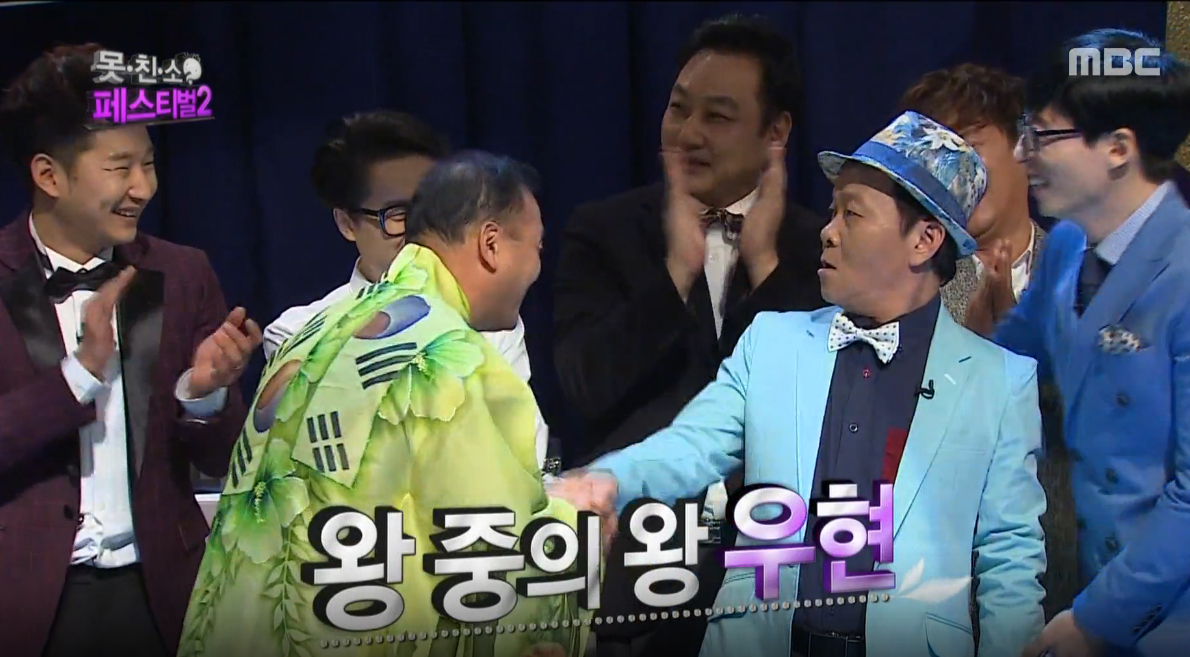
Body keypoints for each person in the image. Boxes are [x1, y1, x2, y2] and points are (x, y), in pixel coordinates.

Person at [554, 111, 1048, 657]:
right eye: (832, 211)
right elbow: (691, 446)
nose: (827, 231)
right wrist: (608, 479)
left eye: (852, 214)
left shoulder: (999, 381)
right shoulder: (773, 342)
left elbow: (1010, 557)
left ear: (924, 241)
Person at [178, 152, 593, 657]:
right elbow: (489, 553)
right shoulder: (451, 358)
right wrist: (576, 518)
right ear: (491, 244)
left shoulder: (313, 331)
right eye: (537, 246)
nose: (537, 268)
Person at [553, 14, 826, 657]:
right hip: (635, 572)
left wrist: (766, 269)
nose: (688, 133)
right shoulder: (604, 230)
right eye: (678, 109)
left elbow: (813, 404)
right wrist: (675, 273)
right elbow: (583, 388)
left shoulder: (818, 246)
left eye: (718, 116)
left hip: (773, 572)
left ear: (776, 131)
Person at [965, 30, 1190, 657]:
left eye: (1042, 135)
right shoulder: (1066, 247)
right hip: (1094, 584)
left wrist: (1098, 619)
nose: (1023, 154)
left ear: (1118, 148)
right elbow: (1006, 362)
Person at [0, 44, 260, 657]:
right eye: (120, 168)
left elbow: (227, 458)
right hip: (27, 600)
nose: (144, 187)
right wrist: (79, 376)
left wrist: (203, 394)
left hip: (161, 593)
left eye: (148, 163)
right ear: (49, 176)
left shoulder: (183, 272)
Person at [263, 111, 552, 472]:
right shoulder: (298, 333)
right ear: (347, 223)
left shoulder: (492, 321)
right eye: (399, 214)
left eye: (431, 210)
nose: (421, 230)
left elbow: (525, 454)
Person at [897, 63, 1079, 623]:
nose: (954, 170)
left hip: (1074, 577)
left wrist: (1030, 360)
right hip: (929, 586)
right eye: (934, 154)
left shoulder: (1090, 272)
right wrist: (968, 362)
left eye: (970, 146)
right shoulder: (898, 286)